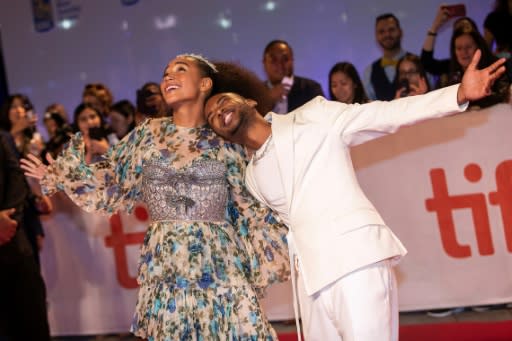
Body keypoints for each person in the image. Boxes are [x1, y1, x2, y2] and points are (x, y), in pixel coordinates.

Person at [203, 51, 506, 341]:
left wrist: (458, 94)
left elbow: (385, 115)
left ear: (249, 99)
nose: (217, 112)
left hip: (356, 262)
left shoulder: (314, 116)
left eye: (221, 101)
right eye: (211, 116)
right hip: (310, 284)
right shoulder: (250, 178)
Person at [21, 54, 290, 340]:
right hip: (167, 266)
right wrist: (62, 175)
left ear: (205, 84)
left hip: (221, 264)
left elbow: (249, 201)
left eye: (180, 70)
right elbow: (111, 178)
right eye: (166, 73)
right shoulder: (147, 135)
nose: (168, 77)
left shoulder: (225, 137)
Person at [0, 130, 51, 341]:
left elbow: (16, 177)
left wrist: (8, 220)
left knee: (30, 318)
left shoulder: (2, 138)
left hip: (12, 241)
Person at [262, 40, 324, 114]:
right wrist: (268, 99)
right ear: (264, 63)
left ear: (292, 61)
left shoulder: (311, 89)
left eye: (285, 59)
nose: (280, 64)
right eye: (274, 60)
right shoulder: (254, 93)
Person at [363, 13, 412, 101]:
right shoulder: (369, 71)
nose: (387, 35)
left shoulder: (419, 63)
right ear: (376, 36)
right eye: (381, 31)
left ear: (401, 32)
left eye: (391, 29)